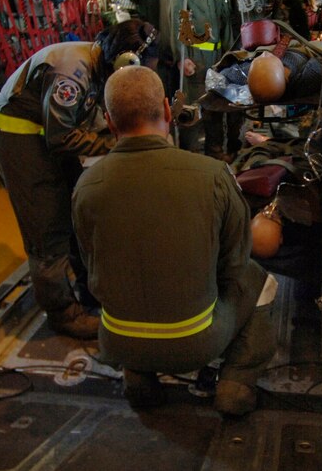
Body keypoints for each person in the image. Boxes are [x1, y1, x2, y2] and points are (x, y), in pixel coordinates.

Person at [71, 65, 277, 415]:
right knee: (260, 279)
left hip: (117, 340)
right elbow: (234, 264)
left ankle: (137, 377)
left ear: (108, 119)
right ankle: (236, 383)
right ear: (168, 110)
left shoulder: (86, 187)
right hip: (195, 344)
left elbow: (93, 269)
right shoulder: (212, 176)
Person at [0, 19, 158, 339]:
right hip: (19, 135)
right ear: (123, 62)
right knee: (48, 222)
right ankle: (62, 313)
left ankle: (89, 291)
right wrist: (117, 144)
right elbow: (62, 138)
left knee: (76, 209)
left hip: (47, 131)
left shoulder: (97, 66)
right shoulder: (72, 75)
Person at [170, 0, 236, 161]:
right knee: (194, 108)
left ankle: (215, 154)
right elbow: (176, 23)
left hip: (217, 57)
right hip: (196, 57)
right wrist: (182, 57)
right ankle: (190, 157)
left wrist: (229, 55)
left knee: (216, 106)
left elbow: (223, 21)